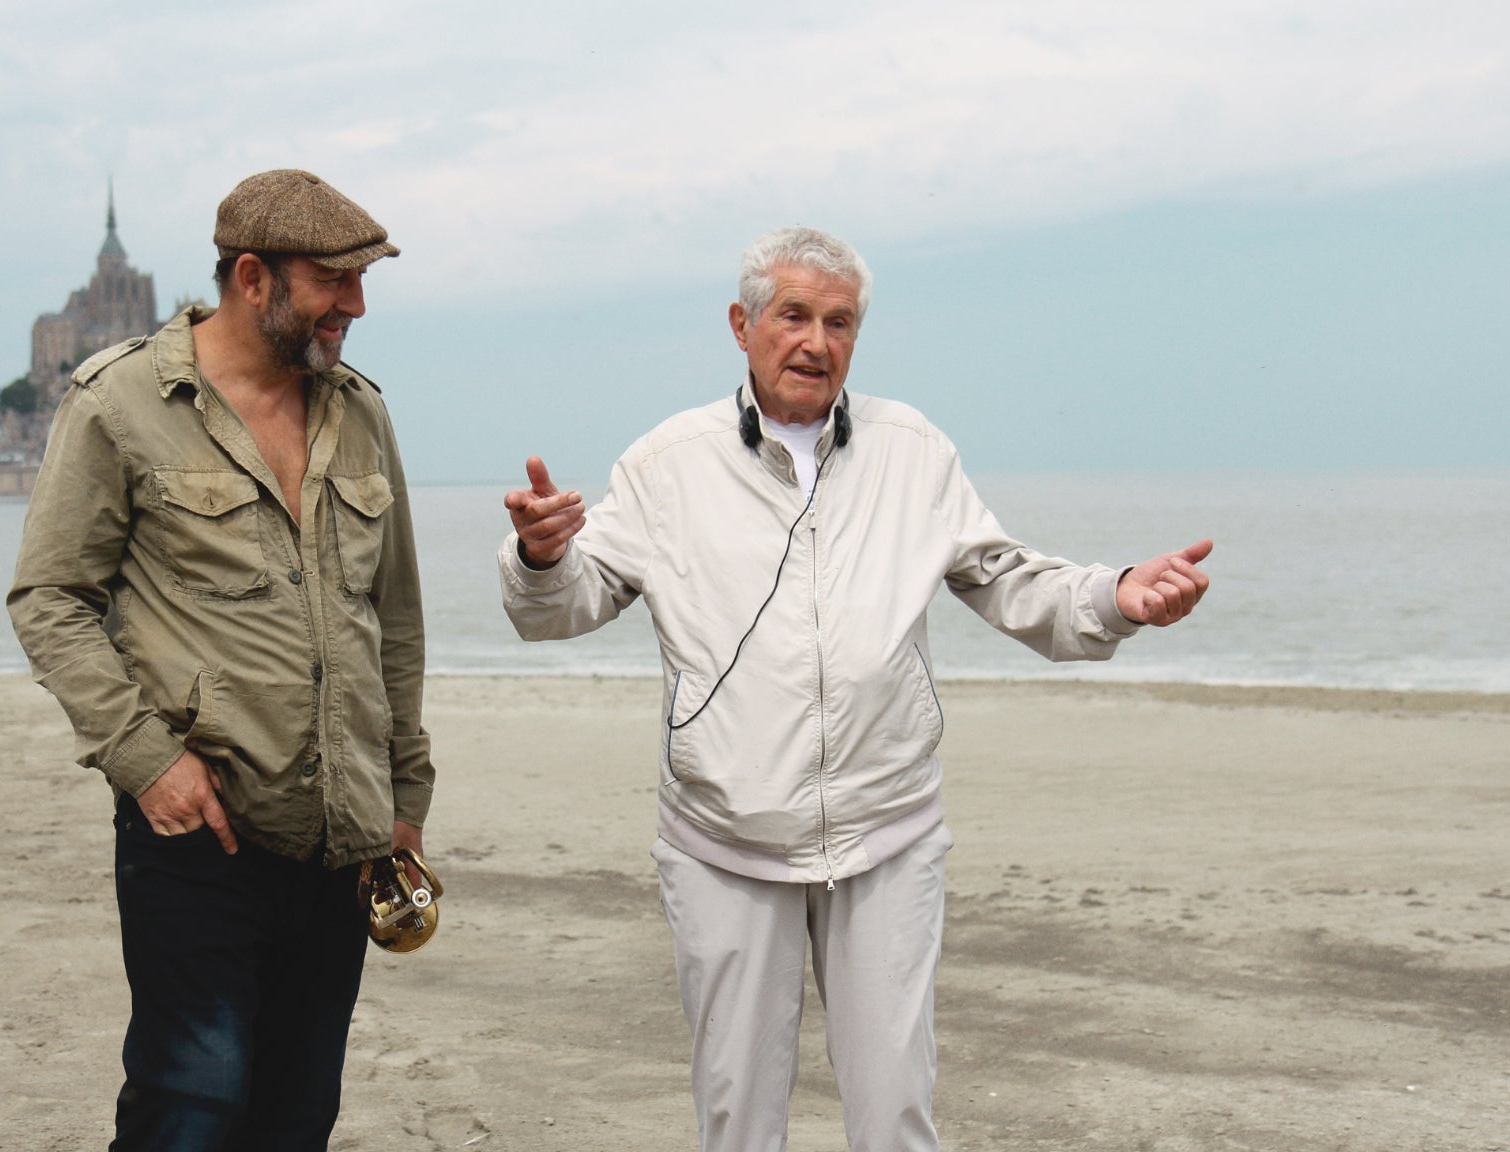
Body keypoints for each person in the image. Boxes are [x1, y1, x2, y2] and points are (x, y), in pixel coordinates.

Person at [498, 226, 1211, 1152]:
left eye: (840, 322)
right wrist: (541, 557)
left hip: (888, 833)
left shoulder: (912, 448)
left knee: (896, 1118)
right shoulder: (665, 463)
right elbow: (565, 605)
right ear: (742, 325)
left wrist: (1115, 596)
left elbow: (1005, 578)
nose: (816, 342)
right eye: (793, 315)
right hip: (724, 839)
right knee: (737, 1119)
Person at [9, 169, 434, 1151]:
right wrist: (147, 761)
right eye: (335, 281)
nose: (356, 306)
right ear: (254, 277)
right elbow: (50, 599)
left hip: (344, 836)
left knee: (296, 1115)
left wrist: (404, 792)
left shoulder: (361, 413)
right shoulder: (119, 402)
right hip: (196, 833)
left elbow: (395, 621)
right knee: (190, 1104)